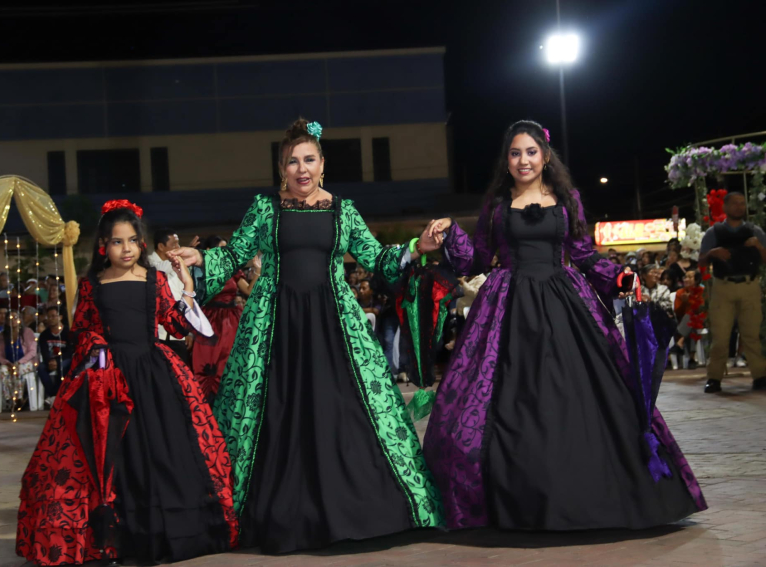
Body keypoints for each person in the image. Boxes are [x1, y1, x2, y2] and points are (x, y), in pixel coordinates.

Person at [169, 119, 444, 553]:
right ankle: (283, 513)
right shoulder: (265, 208)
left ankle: (355, 508)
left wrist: (416, 247)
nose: (302, 169)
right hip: (275, 327)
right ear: (282, 169)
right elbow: (236, 253)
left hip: (334, 326)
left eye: (309, 159)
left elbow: (377, 258)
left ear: (322, 164)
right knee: (278, 411)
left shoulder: (343, 210)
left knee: (343, 409)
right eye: (293, 161)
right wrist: (200, 257)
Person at [422, 120, 706, 531]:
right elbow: (477, 261)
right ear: (506, 160)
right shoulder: (497, 205)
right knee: (510, 401)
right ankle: (521, 500)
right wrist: (450, 231)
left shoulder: (567, 199)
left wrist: (620, 276)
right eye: (515, 153)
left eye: (530, 152)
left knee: (582, 394)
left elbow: (585, 255)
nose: (523, 160)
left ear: (545, 156)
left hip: (564, 305)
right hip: (508, 310)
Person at [17, 200, 237, 566]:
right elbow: (82, 331)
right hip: (109, 378)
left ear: (142, 243)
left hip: (154, 376)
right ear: (103, 245)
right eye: (117, 241)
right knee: (116, 454)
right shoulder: (93, 285)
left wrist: (186, 287)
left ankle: (168, 529)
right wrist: (100, 358)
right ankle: (117, 535)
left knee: (165, 451)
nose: (126, 248)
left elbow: (176, 325)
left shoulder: (154, 280)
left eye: (133, 240)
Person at [699, 191, 766, 393]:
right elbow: (701, 261)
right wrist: (713, 253)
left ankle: (760, 376)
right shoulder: (714, 232)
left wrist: (758, 246)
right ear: (726, 207)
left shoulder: (755, 231)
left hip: (749, 286)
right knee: (720, 336)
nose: (739, 207)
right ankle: (714, 378)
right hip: (723, 287)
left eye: (742, 203)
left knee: (751, 335)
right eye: (735, 203)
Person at [189, 235, 249, 401]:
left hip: (232, 320)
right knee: (208, 362)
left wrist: (258, 271)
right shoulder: (200, 270)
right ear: (209, 250)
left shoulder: (232, 268)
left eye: (226, 248)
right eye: (221, 248)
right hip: (209, 319)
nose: (225, 252)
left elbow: (249, 290)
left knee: (230, 360)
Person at [148, 227, 193, 365]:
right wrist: (187, 253)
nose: (178, 247)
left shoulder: (176, 265)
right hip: (157, 335)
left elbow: (184, 297)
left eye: (178, 243)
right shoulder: (148, 263)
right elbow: (161, 268)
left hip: (177, 335)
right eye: (174, 244)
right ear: (161, 246)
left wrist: (188, 332)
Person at [0, 310, 37, 410]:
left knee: (18, 370)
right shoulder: (2, 335)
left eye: (15, 318)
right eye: (10, 318)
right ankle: (10, 399)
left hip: (25, 362)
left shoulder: (27, 332)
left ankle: (19, 398)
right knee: (2, 370)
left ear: (20, 320)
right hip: (9, 363)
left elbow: (32, 351)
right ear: (6, 321)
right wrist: (7, 363)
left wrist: (19, 363)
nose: (13, 320)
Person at [37, 305, 70, 403]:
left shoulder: (68, 332)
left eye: (53, 316)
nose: (50, 319)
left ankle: (58, 394)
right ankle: (53, 394)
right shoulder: (44, 335)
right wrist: (50, 361)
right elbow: (44, 351)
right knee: (41, 368)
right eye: (48, 316)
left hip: (65, 359)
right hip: (50, 360)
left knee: (62, 366)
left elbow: (70, 351)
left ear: (60, 317)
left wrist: (57, 361)